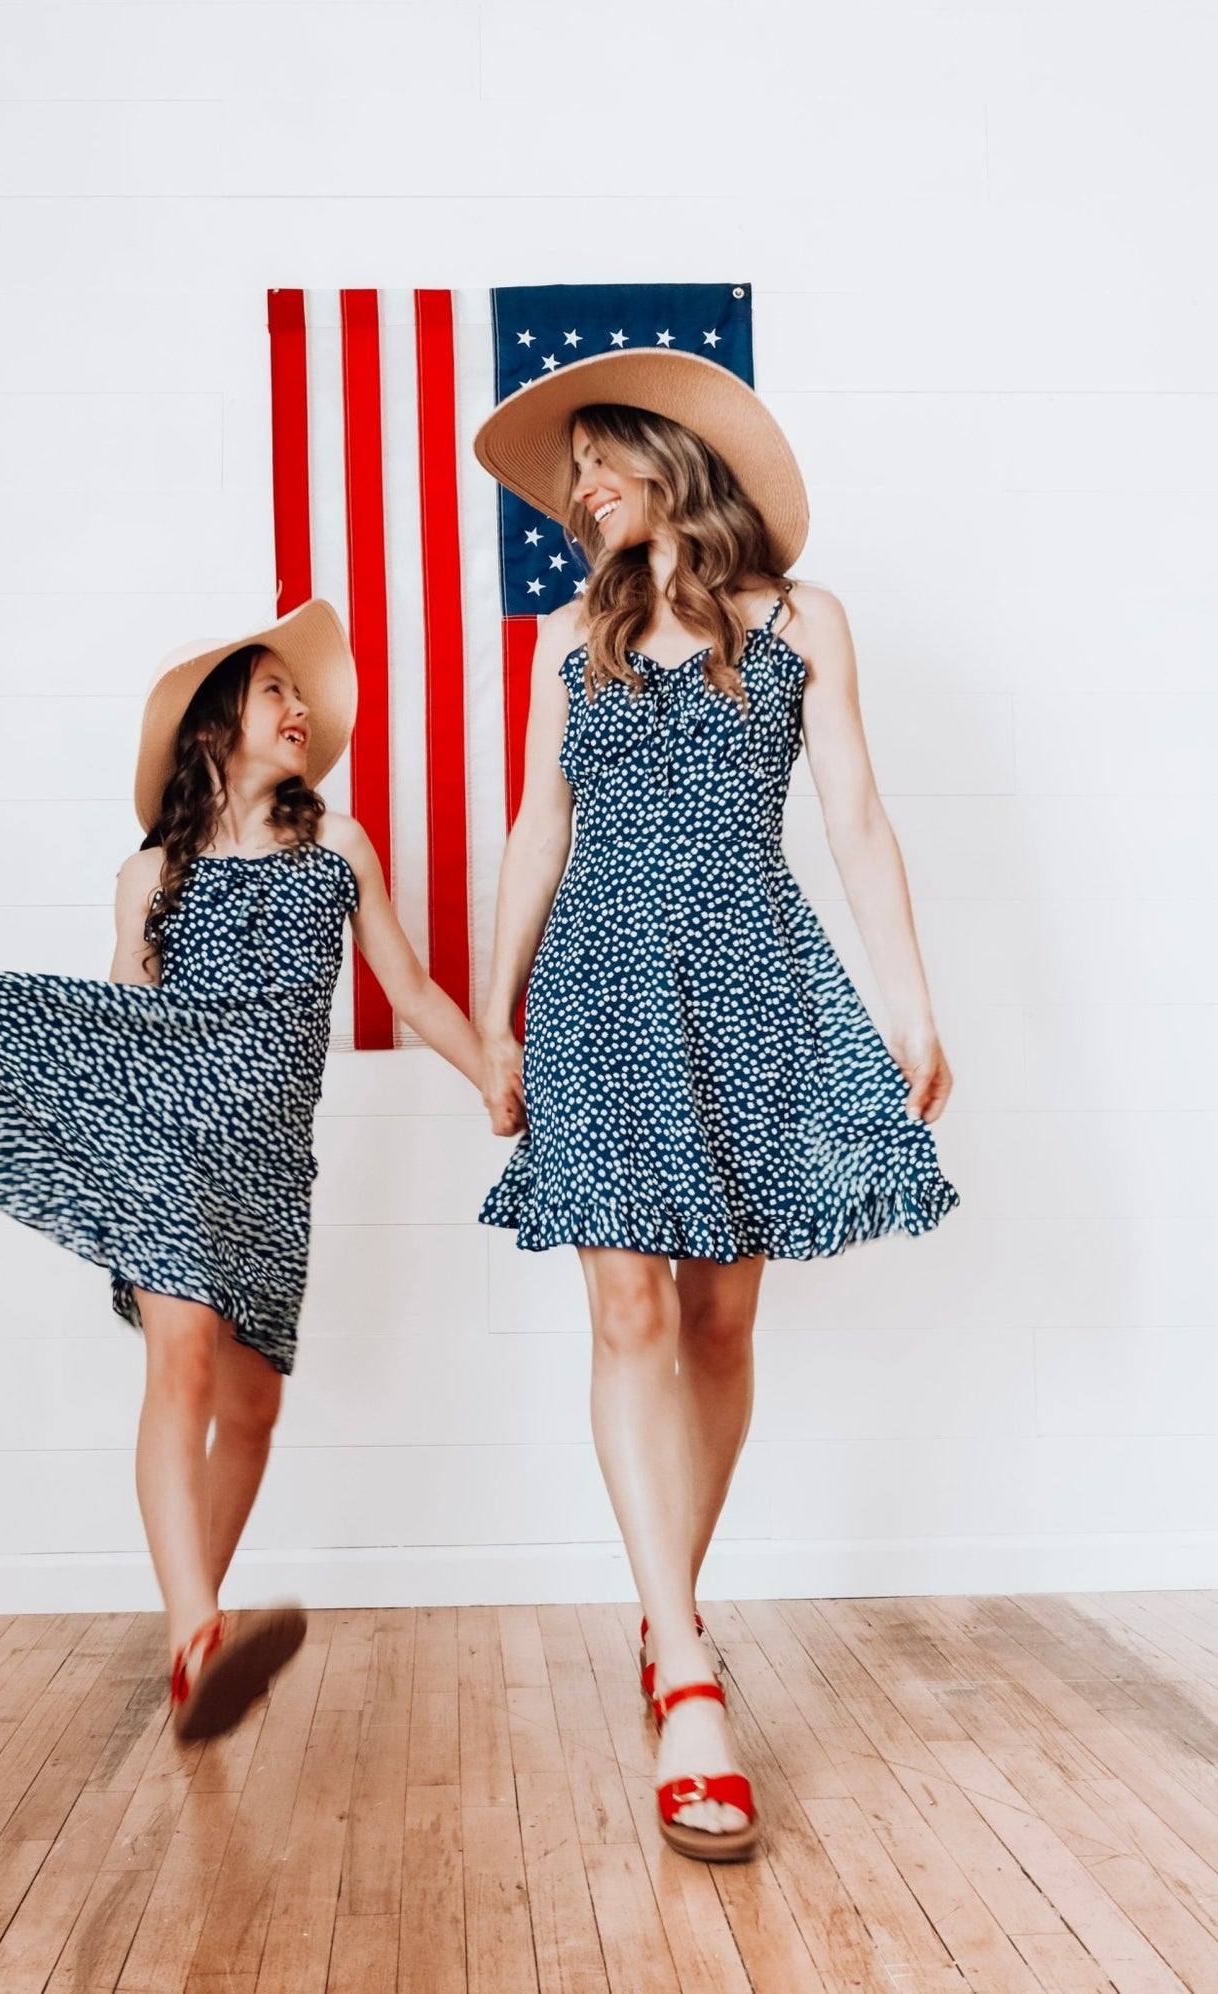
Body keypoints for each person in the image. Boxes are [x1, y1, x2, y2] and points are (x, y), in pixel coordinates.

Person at [0, 599, 485, 1742]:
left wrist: (497, 1070)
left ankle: (198, 1651)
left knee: (251, 1405)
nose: (296, 708)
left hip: (271, 1160)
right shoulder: (151, 875)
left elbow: (416, 990)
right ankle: (196, 1630)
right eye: (272, 689)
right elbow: (121, 1022)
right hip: (167, 1145)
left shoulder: (338, 849)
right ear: (210, 729)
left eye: (297, 691)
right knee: (179, 1363)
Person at [473, 349, 959, 1861]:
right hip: (604, 983)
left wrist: (910, 1002)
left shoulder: (806, 622)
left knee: (717, 1319)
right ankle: (686, 1665)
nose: (576, 490)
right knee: (624, 1310)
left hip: (754, 978)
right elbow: (536, 824)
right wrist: (494, 1014)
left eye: (596, 458)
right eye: (567, 480)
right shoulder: (569, 637)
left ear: (674, 452)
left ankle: (661, 1603)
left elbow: (857, 815)